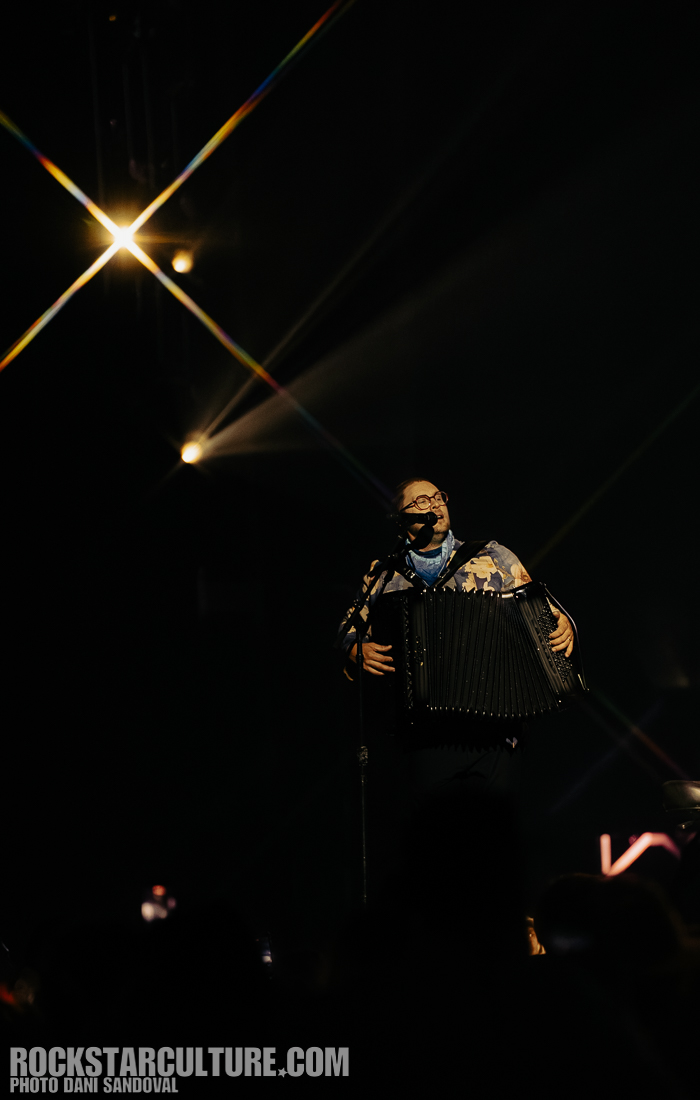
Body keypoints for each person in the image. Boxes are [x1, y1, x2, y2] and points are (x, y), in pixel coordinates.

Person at [339, 478, 575, 805]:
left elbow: (543, 609)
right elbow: (348, 628)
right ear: (401, 518)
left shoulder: (494, 557)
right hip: (425, 738)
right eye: (422, 501)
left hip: (495, 731)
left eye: (439, 497)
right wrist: (354, 648)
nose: (435, 504)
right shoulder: (385, 574)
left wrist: (565, 623)